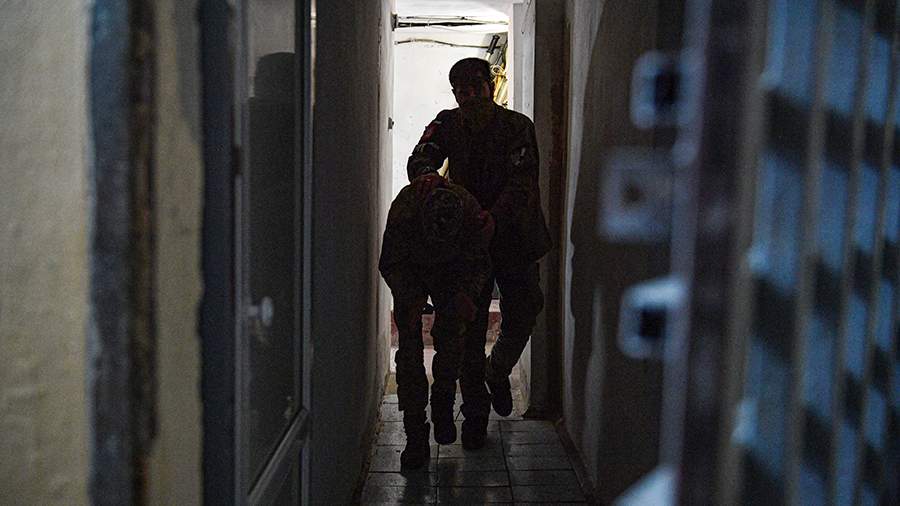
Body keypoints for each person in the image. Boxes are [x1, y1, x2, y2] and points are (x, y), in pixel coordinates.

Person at [407, 57, 551, 435]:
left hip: (515, 238)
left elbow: (523, 182)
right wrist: (427, 177)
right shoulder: (448, 124)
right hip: (468, 243)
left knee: (524, 311)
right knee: (468, 331)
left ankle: (497, 370)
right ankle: (475, 414)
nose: (469, 96)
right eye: (461, 91)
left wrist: (494, 216)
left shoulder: (517, 126)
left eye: (475, 87)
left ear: (490, 86)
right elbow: (421, 156)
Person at [379, 181, 494, 469]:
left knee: (453, 338)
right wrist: (410, 297)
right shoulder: (404, 210)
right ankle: (415, 433)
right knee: (409, 352)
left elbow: (479, 263)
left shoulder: (469, 212)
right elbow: (390, 262)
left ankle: (443, 403)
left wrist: (467, 294)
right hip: (411, 268)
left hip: (452, 271)